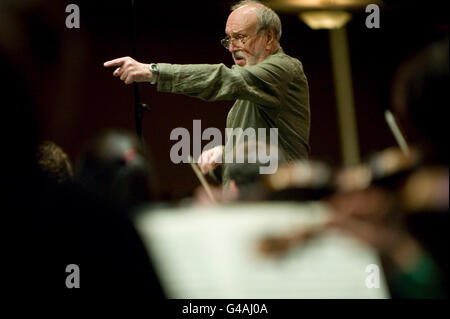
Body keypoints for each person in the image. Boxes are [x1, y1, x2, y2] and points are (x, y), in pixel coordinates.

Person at [104, 0, 310, 188]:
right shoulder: (252, 84)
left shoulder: (283, 69)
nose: (231, 47)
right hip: (257, 201)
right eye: (228, 39)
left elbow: (224, 79)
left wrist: (153, 72)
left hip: (279, 202)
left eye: (240, 37)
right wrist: (221, 163)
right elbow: (253, 168)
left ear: (268, 37)